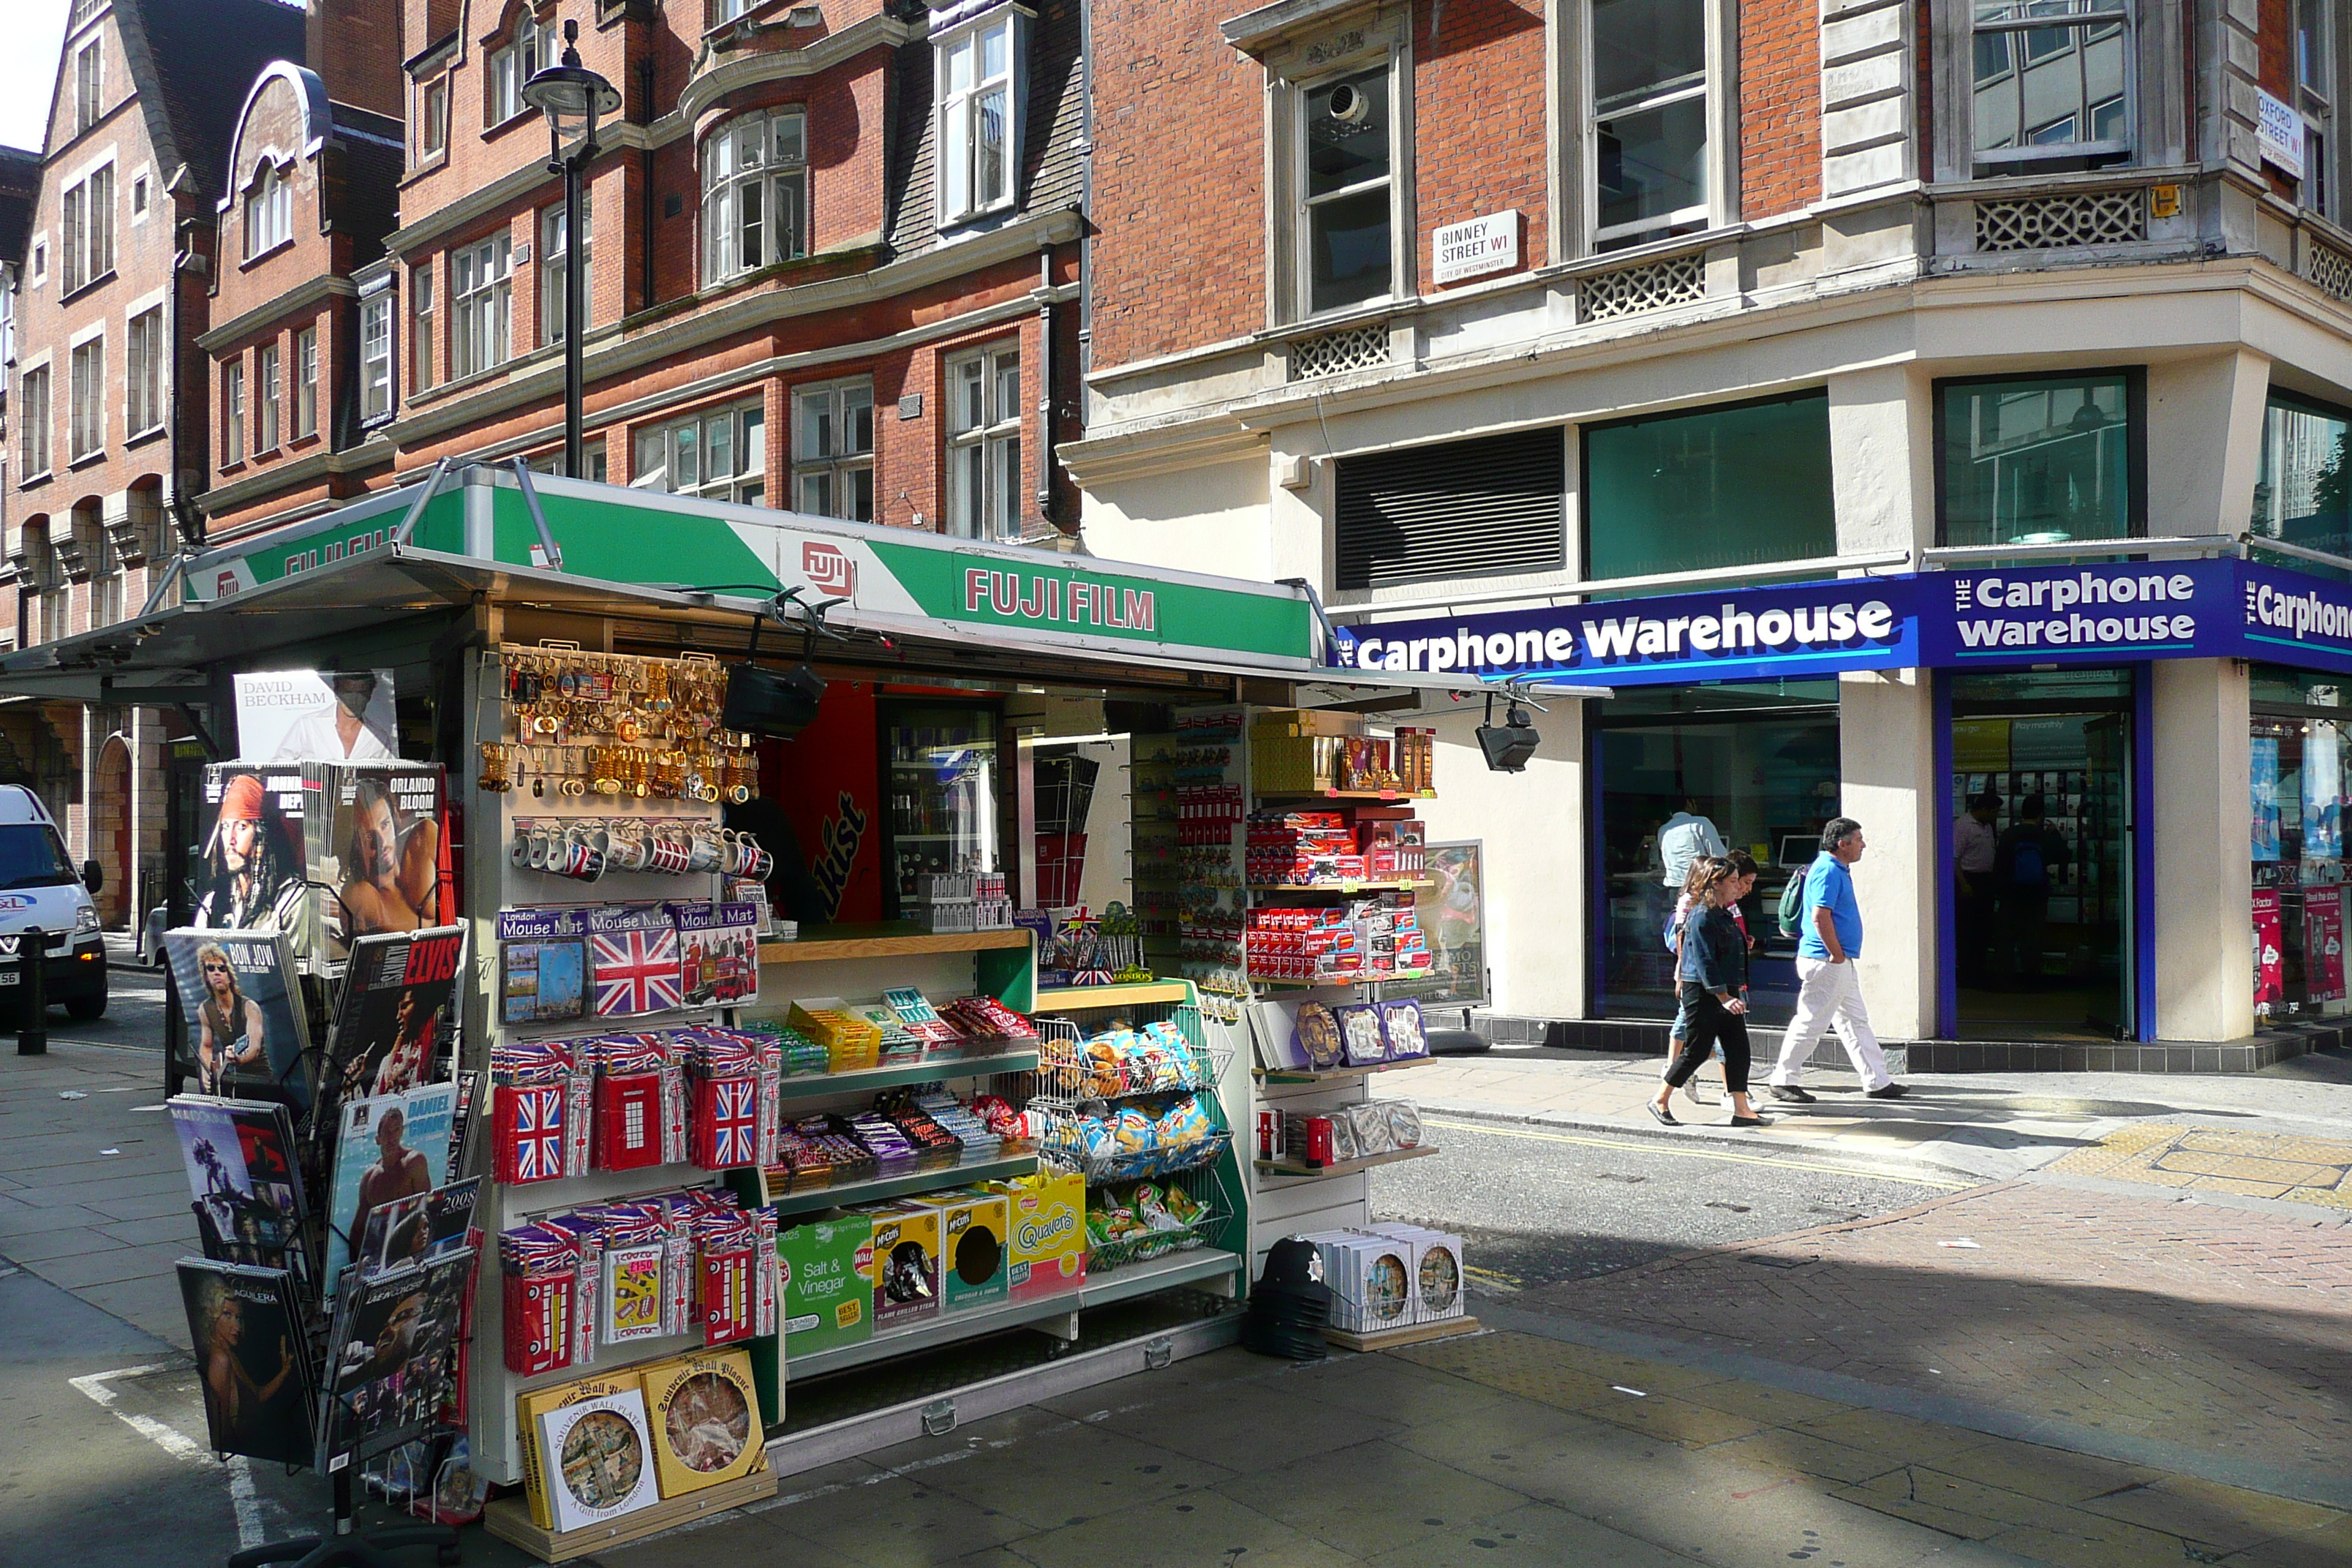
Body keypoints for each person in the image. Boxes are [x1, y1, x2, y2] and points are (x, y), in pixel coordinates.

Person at [1765, 818, 1904, 1101]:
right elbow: (1820, 916)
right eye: (1858, 839)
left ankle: (1877, 1081)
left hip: (1836, 961)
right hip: (1827, 961)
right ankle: (1783, 1078)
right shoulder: (1828, 870)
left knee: (1855, 1021)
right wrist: (1836, 954)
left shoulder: (1835, 868)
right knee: (1811, 1021)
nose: (1863, 845)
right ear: (1842, 844)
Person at [1649, 860, 1768, 1128]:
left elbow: (1718, 949)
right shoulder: (1702, 914)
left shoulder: (1721, 913)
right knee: (1697, 1050)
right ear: (1715, 883)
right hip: (1703, 992)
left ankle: (1742, 1110)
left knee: (1738, 1049)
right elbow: (1704, 960)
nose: (1739, 886)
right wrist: (1724, 998)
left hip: (1726, 990)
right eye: (1734, 880)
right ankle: (1660, 1099)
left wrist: (1740, 944)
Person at [193, 774, 306, 935]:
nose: (230, 840)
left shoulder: (291, 899)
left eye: (241, 827)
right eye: (225, 827)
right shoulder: (213, 902)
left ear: (262, 835)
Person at [335, 778, 441, 947]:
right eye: (369, 836)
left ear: (394, 820)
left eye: (385, 825)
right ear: (354, 844)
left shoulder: (423, 839)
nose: (382, 842)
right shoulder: (360, 894)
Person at [198, 1284, 298, 1452]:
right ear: (213, 1315)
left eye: (238, 1317)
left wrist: (284, 1372)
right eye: (227, 1315)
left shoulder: (229, 1354)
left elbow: (257, 1395)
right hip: (246, 1445)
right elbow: (222, 1427)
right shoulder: (221, 1361)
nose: (236, 1326)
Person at [1994, 794, 2072, 988]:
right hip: (2036, 895)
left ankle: (2005, 978)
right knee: (2032, 937)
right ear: (2041, 815)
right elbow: (2064, 856)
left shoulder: (2009, 835)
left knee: (2007, 937)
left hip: (2011, 895)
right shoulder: (2042, 835)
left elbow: (1999, 865)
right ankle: (2031, 978)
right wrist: (2055, 835)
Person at [348, 1105, 431, 1263]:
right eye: (387, 1132)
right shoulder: (369, 1178)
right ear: (378, 1139)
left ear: (401, 1132)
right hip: (380, 1255)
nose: (392, 1137)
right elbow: (358, 1230)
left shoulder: (414, 1162)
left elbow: (428, 1208)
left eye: (396, 1130)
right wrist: (355, 1267)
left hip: (411, 1253)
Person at [193, 942, 268, 1095]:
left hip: (260, 1078)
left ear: (229, 976)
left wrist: (239, 1059)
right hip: (233, 1079)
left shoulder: (249, 1007)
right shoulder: (205, 1009)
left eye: (222, 969)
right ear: (206, 976)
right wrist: (207, 1073)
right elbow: (207, 1046)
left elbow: (255, 1047)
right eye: (211, 968)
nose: (217, 973)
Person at [271, 671, 396, 761]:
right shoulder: (308, 724)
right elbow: (280, 765)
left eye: (361, 694)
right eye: (347, 693)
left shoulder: (379, 737)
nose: (353, 701)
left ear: (369, 696)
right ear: (336, 693)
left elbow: (384, 778)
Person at [1953, 791, 2001, 987]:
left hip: (1985, 879)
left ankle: (1979, 971)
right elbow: (1954, 857)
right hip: (1968, 879)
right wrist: (1964, 883)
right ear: (1984, 810)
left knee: (1983, 928)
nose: (1996, 815)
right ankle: (1967, 974)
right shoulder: (1964, 826)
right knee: (1968, 929)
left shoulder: (1987, 826)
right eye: (1994, 811)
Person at [1656, 795, 1727, 889]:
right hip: (1698, 886)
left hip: (1674, 886)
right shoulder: (1700, 823)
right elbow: (1719, 856)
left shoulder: (1664, 829)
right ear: (1690, 803)